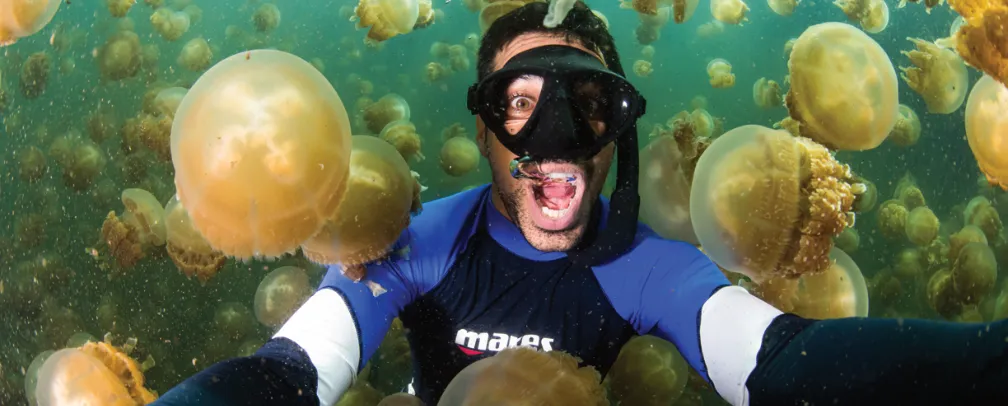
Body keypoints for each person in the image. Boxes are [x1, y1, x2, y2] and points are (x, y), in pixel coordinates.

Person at [153, 3, 1008, 406]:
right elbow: (291, 369)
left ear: (617, 128)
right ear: (484, 130)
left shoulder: (647, 268)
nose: (553, 136)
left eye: (586, 101)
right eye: (518, 103)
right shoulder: (418, 242)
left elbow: (777, 360)